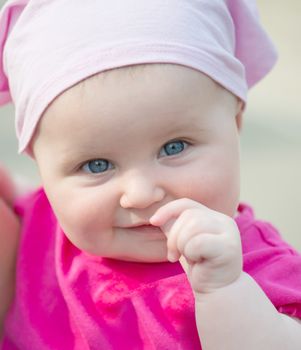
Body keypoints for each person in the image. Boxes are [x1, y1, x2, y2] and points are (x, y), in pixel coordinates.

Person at [0, 0, 301, 349]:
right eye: (97, 165)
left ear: (235, 123)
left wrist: (225, 291)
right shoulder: (40, 229)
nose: (141, 194)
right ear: (42, 166)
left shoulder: (253, 266)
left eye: (174, 147)